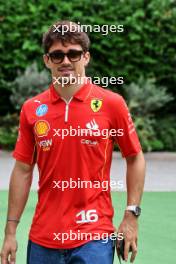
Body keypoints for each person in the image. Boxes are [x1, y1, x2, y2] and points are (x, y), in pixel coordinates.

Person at [0, 21, 145, 264]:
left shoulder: (112, 104)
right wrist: (10, 232)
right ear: (47, 60)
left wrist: (131, 215)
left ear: (86, 57)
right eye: (57, 55)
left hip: (94, 236)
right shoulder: (32, 109)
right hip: (43, 237)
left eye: (73, 54)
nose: (66, 61)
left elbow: (135, 157)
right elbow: (23, 170)